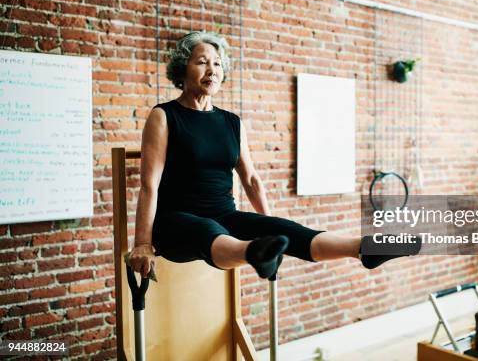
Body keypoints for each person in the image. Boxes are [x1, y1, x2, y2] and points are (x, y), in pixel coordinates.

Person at [127, 31, 420, 280]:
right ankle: (255, 254)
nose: (212, 70)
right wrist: (142, 242)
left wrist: (270, 231)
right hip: (175, 224)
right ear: (182, 70)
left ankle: (363, 248)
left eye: (217, 63)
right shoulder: (164, 116)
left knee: (286, 228)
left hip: (225, 216)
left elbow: (251, 179)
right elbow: (149, 185)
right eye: (201, 62)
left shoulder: (231, 121)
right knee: (207, 229)